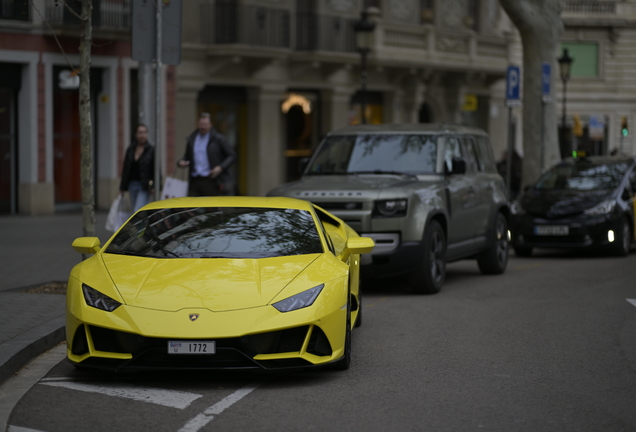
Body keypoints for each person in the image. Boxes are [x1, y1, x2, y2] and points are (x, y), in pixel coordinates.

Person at [177, 112, 236, 196]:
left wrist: (220, 167)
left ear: (211, 125)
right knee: (193, 205)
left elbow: (232, 155)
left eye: (205, 124)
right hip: (195, 179)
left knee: (211, 206)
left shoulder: (218, 139)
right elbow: (187, 157)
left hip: (211, 179)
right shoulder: (192, 139)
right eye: (201, 124)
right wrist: (181, 162)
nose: (203, 127)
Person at [119, 124, 155, 212]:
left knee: (138, 210)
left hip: (144, 185)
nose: (142, 135)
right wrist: (122, 187)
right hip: (132, 184)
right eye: (140, 133)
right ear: (136, 134)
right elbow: (126, 169)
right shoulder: (131, 149)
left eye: (144, 133)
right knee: (135, 211)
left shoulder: (151, 150)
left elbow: (155, 169)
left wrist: (154, 185)